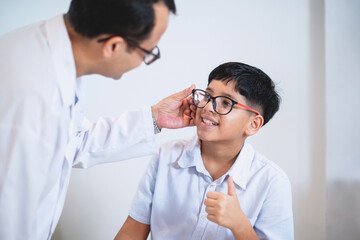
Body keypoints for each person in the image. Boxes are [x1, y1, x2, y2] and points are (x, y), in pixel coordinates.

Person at [0, 0, 197, 239]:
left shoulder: (45, 54)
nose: (144, 61)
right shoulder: (32, 97)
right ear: (113, 46)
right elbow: (11, 218)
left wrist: (155, 118)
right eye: (149, 52)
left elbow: (72, 142)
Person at [115, 62, 294, 240]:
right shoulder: (167, 155)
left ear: (253, 124)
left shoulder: (272, 182)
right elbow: (132, 231)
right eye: (208, 96)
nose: (208, 107)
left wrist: (240, 226)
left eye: (226, 103)